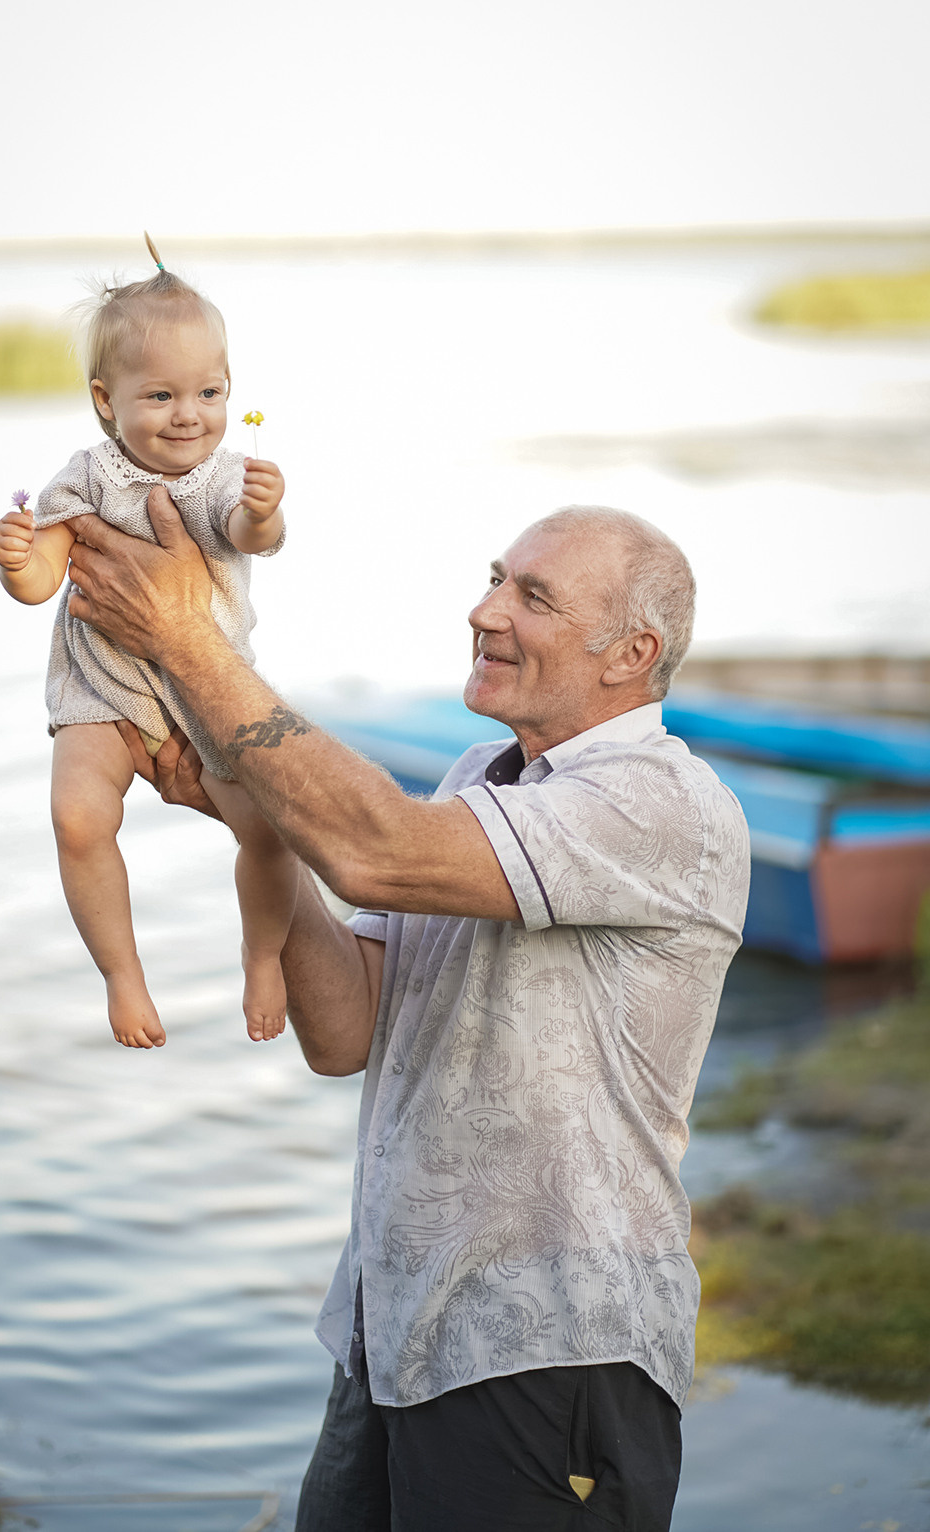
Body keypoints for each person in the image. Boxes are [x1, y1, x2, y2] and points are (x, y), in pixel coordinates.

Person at [60, 492, 751, 1532]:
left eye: (532, 596)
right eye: (492, 578)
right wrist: (268, 832)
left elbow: (375, 847)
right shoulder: (481, 777)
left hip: (550, 1351)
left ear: (629, 653)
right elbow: (346, 1032)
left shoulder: (663, 804)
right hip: (393, 1333)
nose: (485, 611)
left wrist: (181, 636)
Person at [0, 245, 294, 1046]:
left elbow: (250, 535)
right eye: (159, 394)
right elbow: (43, 578)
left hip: (207, 688)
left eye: (209, 392)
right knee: (77, 818)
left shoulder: (226, 475)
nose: (188, 414)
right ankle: (123, 978)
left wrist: (263, 512)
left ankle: (263, 955)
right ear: (105, 400)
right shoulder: (86, 477)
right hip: (101, 688)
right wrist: (18, 560)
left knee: (270, 826)